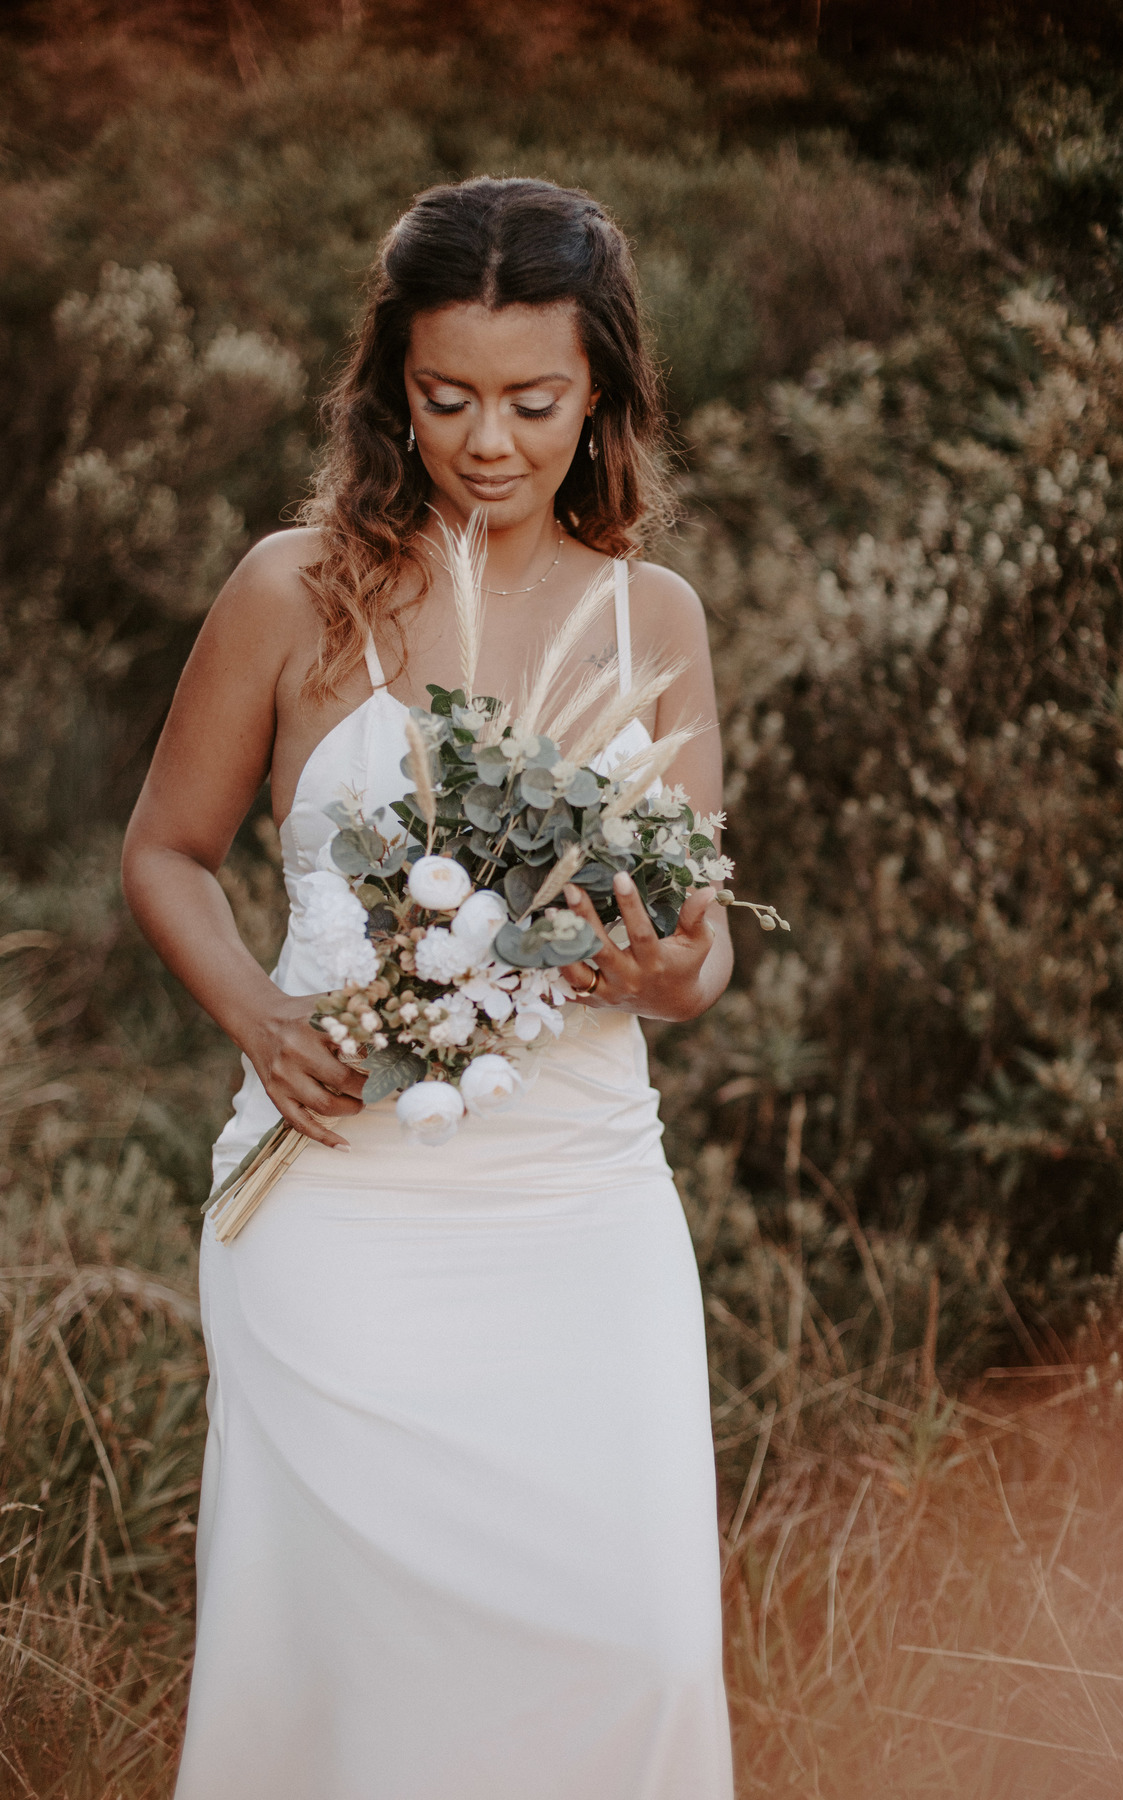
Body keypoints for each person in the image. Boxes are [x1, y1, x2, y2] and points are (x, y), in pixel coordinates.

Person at [122, 175, 735, 1800]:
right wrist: (259, 1011)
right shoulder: (289, 589)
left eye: (533, 401)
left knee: (639, 1644)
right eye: (445, 397)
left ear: (600, 387)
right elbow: (166, 852)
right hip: (340, 1208)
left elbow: (698, 943)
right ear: (390, 386)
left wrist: (669, 961)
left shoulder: (650, 618)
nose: (487, 441)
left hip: (579, 1206)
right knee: (353, 1663)